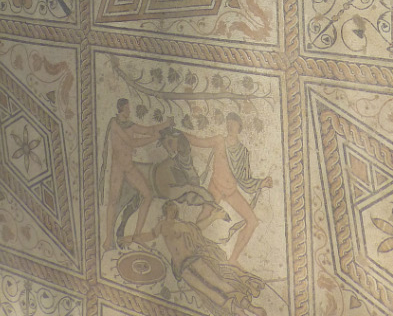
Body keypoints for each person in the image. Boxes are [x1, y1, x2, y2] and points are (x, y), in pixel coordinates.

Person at [139, 200, 266, 316]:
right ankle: (240, 312)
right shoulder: (161, 226)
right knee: (208, 292)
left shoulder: (180, 225)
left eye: (173, 209)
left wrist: (213, 217)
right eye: (169, 209)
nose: (171, 212)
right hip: (182, 268)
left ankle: (252, 308)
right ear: (165, 211)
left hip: (194, 260)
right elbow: (150, 235)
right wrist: (133, 237)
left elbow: (197, 228)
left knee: (219, 283)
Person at [184, 113, 272, 263]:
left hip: (231, 191)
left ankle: (233, 260)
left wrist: (261, 183)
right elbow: (198, 141)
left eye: (234, 123)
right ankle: (189, 251)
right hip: (215, 188)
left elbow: (246, 179)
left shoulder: (243, 152)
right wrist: (178, 133)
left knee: (252, 221)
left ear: (239, 127)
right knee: (202, 221)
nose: (230, 126)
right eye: (228, 122)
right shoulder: (219, 141)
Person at [99, 97, 171, 250]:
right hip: (118, 169)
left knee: (148, 195)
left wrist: (166, 124)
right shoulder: (115, 124)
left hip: (129, 167)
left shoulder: (130, 125)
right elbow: (132, 142)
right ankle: (108, 239)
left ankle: (137, 235)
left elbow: (148, 130)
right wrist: (154, 138)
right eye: (127, 108)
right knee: (113, 201)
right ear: (121, 109)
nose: (129, 111)